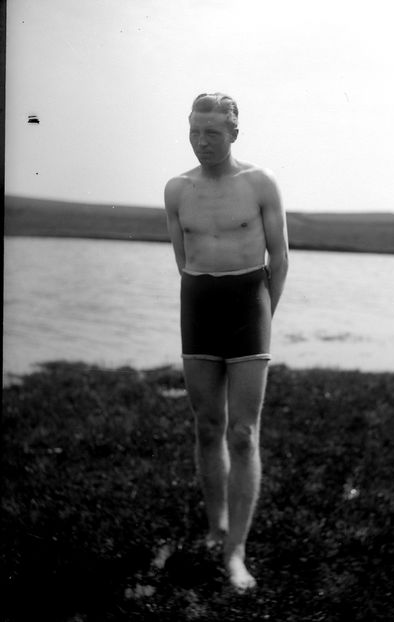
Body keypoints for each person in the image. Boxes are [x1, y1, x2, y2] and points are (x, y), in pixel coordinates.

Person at [164, 92, 288, 591]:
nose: (202, 141)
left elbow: (280, 259)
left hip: (248, 304)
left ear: (234, 133)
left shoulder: (260, 182)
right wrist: (204, 293)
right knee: (207, 425)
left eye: (212, 132)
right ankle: (216, 529)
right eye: (195, 131)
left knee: (242, 433)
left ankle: (237, 551)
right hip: (198, 302)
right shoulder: (177, 189)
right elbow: (183, 259)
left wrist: (262, 316)